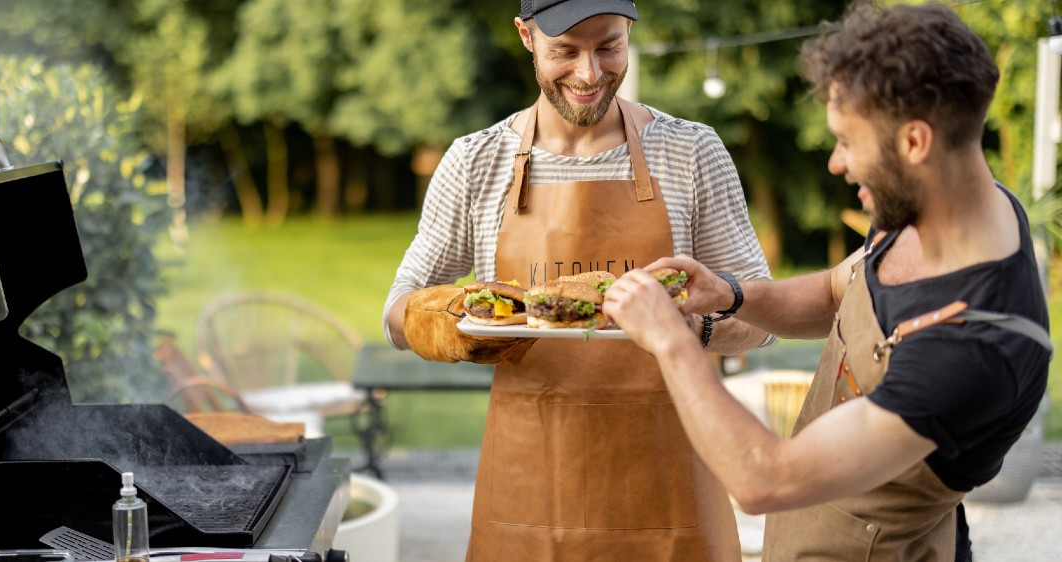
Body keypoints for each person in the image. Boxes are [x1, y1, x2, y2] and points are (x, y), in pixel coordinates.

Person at [604, 3, 1053, 561]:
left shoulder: (973, 350)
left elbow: (762, 480)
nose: (837, 163)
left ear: (915, 143)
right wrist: (732, 294)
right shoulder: (930, 206)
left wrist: (671, 341)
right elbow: (839, 293)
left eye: (846, 141)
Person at [382, 0, 776, 559]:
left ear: (631, 32)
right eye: (565, 50)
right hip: (527, 496)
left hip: (669, 488)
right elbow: (398, 313)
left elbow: (760, 317)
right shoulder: (476, 160)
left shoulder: (691, 150)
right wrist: (456, 326)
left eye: (609, 47)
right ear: (526, 36)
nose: (590, 74)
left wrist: (693, 328)